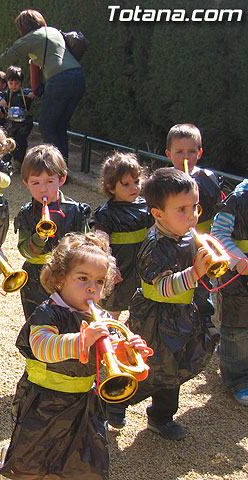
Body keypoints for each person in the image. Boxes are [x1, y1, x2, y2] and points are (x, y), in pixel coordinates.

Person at [0, 232, 151, 479]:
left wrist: (130, 354)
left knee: (84, 461)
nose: (92, 287)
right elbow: (42, 347)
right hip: (43, 400)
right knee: (34, 460)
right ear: (59, 278)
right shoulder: (47, 313)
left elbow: (112, 358)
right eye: (83, 278)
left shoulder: (103, 319)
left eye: (100, 282)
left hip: (84, 401)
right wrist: (82, 340)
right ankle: (13, 453)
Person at [106, 168, 217, 440]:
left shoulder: (188, 237)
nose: (192, 216)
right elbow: (162, 287)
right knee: (151, 370)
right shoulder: (154, 245)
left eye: (195, 207)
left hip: (182, 315)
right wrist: (195, 273)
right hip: (155, 318)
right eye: (182, 210)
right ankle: (114, 401)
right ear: (158, 214)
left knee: (176, 370)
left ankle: (162, 417)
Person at [0, 9, 86, 161]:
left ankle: (55, 168)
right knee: (59, 126)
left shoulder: (31, 38)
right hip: (78, 76)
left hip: (59, 80)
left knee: (47, 126)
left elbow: (6, 56)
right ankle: (63, 170)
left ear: (22, 27)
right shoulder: (53, 31)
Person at [15, 144, 90, 319]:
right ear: (26, 183)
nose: (43, 189)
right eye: (35, 183)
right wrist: (39, 238)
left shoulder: (76, 210)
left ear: (61, 179)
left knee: (69, 320)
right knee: (37, 322)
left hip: (68, 276)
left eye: (50, 181)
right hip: (35, 278)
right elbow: (25, 251)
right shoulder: (26, 213)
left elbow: (87, 247)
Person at [166, 123, 223, 340]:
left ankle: (205, 319)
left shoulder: (208, 178)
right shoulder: (163, 181)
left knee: (203, 281)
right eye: (179, 152)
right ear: (168, 154)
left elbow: (218, 209)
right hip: (173, 241)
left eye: (191, 152)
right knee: (177, 277)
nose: (186, 157)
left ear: (200, 153)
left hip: (201, 241)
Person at [91, 152, 153, 320]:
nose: (134, 187)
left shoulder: (146, 208)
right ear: (111, 187)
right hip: (120, 268)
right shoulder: (106, 214)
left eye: (136, 182)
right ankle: (107, 339)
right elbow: (101, 241)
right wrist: (109, 264)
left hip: (141, 267)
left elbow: (153, 234)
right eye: (126, 184)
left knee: (141, 306)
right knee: (113, 309)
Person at [211, 179, 248, 406]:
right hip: (237, 279)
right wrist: (237, 259)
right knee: (236, 329)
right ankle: (237, 379)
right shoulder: (238, 200)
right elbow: (219, 233)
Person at [0, 66, 34, 171]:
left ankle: (19, 161)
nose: (14, 86)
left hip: (24, 122)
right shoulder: (6, 94)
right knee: (8, 140)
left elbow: (34, 93)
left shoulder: (25, 93)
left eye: (16, 83)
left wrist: (32, 95)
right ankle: (6, 161)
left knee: (21, 140)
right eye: (11, 83)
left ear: (21, 82)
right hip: (10, 122)